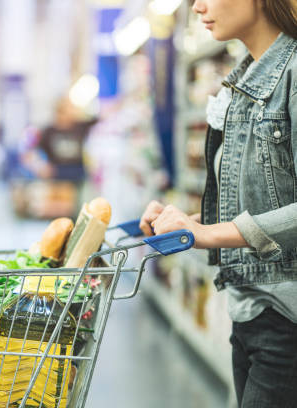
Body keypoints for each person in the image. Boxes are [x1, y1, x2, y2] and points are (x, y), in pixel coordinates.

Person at [139, 1, 297, 406]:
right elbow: (266, 195)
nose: (198, 6)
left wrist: (209, 233)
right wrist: (186, 224)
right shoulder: (245, 81)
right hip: (250, 312)